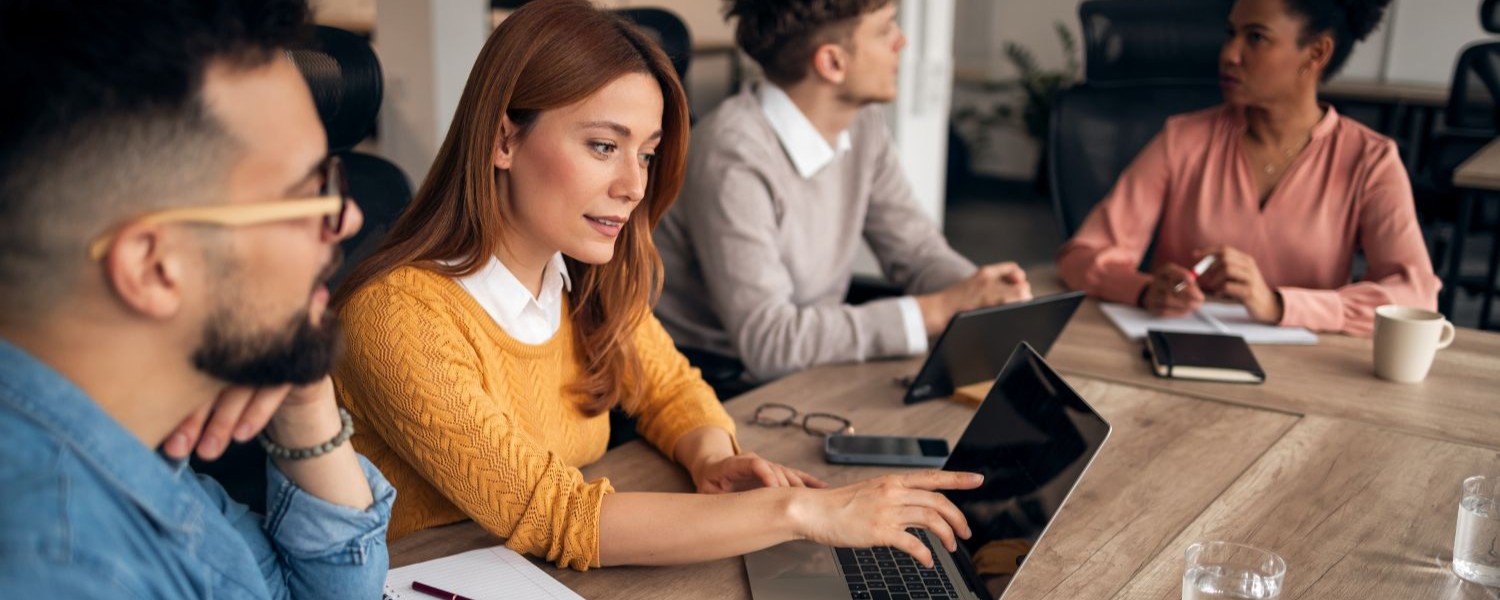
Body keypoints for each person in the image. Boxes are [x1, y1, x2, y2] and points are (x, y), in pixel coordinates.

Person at [333, 0, 980, 573]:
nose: (635, 186)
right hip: (424, 579)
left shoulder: (582, 277)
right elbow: (556, 515)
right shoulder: (397, 314)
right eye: (602, 146)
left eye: (644, 153)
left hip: (531, 574)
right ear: (504, 139)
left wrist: (710, 457)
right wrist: (803, 512)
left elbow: (671, 389)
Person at [0, 0, 395, 597]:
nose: (347, 219)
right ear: (156, 267)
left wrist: (304, 400)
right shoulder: (67, 565)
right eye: (310, 193)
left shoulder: (127, 449)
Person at [653, 0, 1033, 390]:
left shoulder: (863, 127)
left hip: (812, 367)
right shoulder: (731, 154)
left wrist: (984, 298)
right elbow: (769, 342)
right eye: (886, 30)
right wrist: (938, 309)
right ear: (832, 62)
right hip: (717, 384)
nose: (901, 42)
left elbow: (917, 251)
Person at [1057, 0, 1439, 336]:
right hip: (1181, 356)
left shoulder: (1370, 160)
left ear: (1316, 53)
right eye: (1230, 34)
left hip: (1313, 375)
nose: (1229, 54)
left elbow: (1415, 297)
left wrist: (1278, 304)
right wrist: (1142, 289)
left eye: (1255, 37)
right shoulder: (1182, 139)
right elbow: (1082, 255)